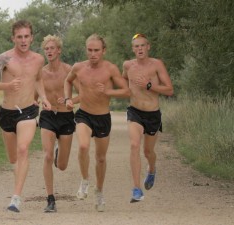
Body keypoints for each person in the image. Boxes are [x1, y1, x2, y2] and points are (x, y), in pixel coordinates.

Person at [0, 20, 51, 213]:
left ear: (32, 38)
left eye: (26, 36)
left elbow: (38, 79)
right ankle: (17, 182)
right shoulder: (4, 59)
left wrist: (44, 97)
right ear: (13, 38)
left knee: (23, 150)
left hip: (29, 110)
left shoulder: (38, 59)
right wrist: (6, 86)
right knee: (13, 159)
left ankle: (16, 198)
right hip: (7, 112)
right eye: (19, 37)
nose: (23, 40)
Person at [64, 34, 130, 212]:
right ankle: (85, 180)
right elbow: (67, 81)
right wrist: (67, 99)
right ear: (86, 50)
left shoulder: (110, 69)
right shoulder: (78, 67)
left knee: (101, 158)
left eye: (96, 50)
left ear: (103, 51)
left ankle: (99, 191)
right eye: (90, 50)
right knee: (83, 146)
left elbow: (126, 91)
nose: (92, 54)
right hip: (84, 114)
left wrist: (108, 91)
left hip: (102, 118)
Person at [122, 33, 173, 203]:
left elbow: (169, 90)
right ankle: (137, 189)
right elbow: (122, 81)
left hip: (152, 114)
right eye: (136, 46)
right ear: (133, 49)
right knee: (134, 144)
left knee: (148, 151)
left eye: (142, 46)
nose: (139, 49)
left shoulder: (157, 65)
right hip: (134, 111)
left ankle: (151, 169)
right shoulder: (128, 65)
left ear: (148, 47)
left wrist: (149, 86)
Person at [39, 35, 79, 213]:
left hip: (66, 118)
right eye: (46, 48)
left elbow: (83, 92)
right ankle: (50, 199)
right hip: (48, 116)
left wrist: (71, 100)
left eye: (52, 48)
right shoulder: (40, 72)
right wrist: (35, 101)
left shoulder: (69, 70)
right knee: (46, 156)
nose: (49, 51)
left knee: (62, 165)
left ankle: (58, 153)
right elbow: (36, 94)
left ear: (59, 50)